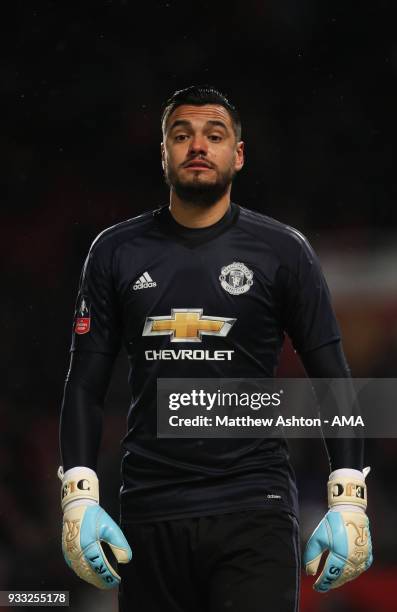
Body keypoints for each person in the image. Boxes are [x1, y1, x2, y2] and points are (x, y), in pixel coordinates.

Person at [58, 86, 373, 612]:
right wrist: (78, 495)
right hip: (150, 508)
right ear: (164, 153)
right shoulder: (114, 252)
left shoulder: (283, 252)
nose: (197, 146)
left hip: (255, 504)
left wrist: (348, 498)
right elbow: (85, 383)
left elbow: (332, 376)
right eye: (181, 136)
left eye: (214, 135)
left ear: (238, 154)